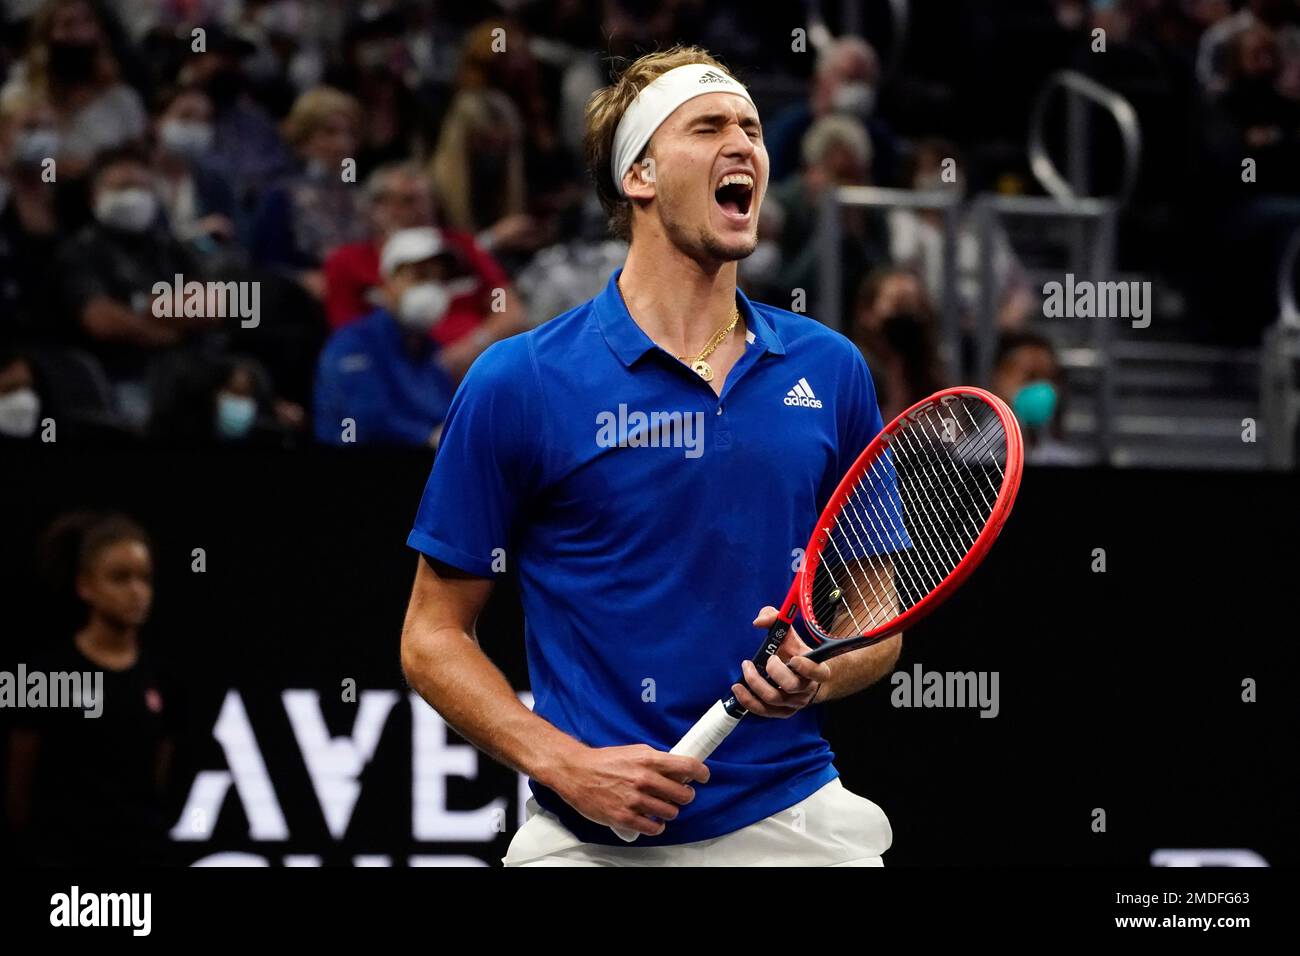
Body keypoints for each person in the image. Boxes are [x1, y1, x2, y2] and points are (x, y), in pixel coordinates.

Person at [401, 46, 901, 867]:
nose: (744, 145)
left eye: (751, 128)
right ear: (639, 176)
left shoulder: (832, 369)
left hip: (794, 814)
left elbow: (877, 608)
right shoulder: (519, 381)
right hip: (586, 836)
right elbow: (431, 636)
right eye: (708, 127)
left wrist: (823, 669)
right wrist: (567, 764)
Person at [5, 513, 178, 866]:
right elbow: (18, 792)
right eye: (120, 578)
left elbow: (161, 779)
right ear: (85, 585)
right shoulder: (43, 676)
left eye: (145, 579)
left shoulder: (163, 678)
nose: (136, 592)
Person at [322, 162, 526, 381]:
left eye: (426, 200)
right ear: (376, 206)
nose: (420, 210)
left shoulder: (462, 247)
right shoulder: (347, 262)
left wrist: (474, 346)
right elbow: (349, 341)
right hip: (398, 380)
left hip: (482, 366)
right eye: (406, 201)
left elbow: (512, 312)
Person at [313, 227, 462, 448]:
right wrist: (429, 437)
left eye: (438, 279)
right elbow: (366, 421)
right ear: (388, 282)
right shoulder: (354, 344)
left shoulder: (432, 353)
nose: (431, 289)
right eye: (419, 276)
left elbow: (444, 416)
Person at [0, 0, 148, 176]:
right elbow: (12, 160)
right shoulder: (20, 97)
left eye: (86, 22)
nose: (79, 34)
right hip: (40, 191)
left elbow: (138, 161)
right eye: (68, 24)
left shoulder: (121, 100)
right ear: (47, 35)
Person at [852, 266, 947, 422]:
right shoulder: (855, 368)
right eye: (899, 304)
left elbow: (949, 433)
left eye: (914, 306)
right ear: (867, 313)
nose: (908, 316)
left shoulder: (931, 373)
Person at [990, 330, 1094, 466]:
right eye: (1030, 377)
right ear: (999, 378)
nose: (1040, 390)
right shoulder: (968, 457)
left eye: (1048, 378)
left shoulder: (1071, 461)